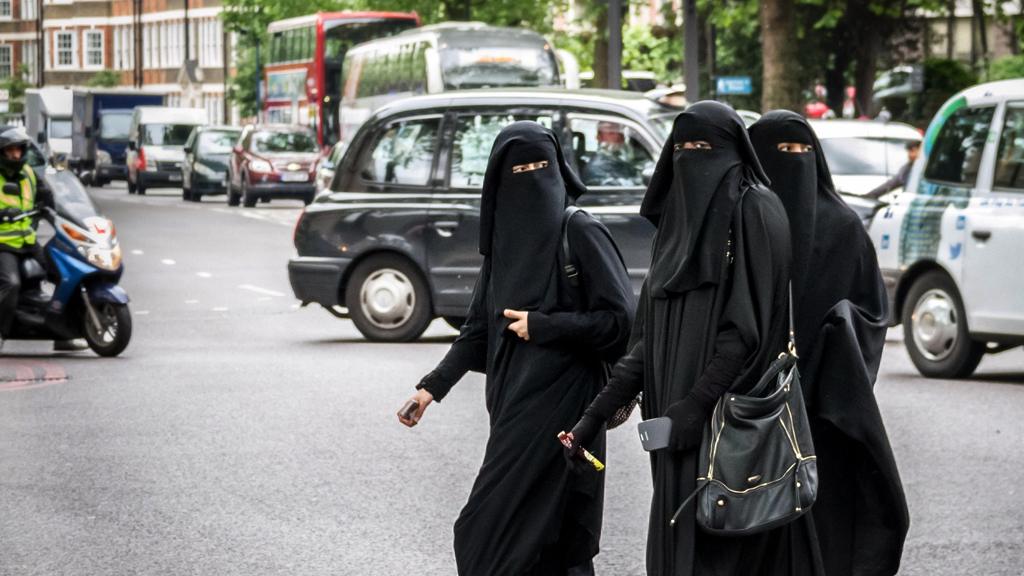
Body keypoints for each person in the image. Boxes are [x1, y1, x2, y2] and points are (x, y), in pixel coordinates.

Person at [566, 101, 799, 575]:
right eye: (685, 148)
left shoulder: (755, 210)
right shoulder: (676, 225)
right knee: (676, 553)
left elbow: (745, 333)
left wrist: (697, 404)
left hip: (728, 425)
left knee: (724, 554)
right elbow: (646, 341)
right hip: (675, 427)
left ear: (735, 150)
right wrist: (591, 419)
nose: (695, 159)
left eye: (706, 147)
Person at [398, 121, 634, 576]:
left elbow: (621, 322)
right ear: (497, 181)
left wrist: (544, 326)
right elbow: (476, 330)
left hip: (566, 408)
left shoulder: (580, 231)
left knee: (483, 531)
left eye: (540, 166)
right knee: (549, 541)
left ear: (559, 170)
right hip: (510, 403)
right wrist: (430, 388)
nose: (530, 176)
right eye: (518, 168)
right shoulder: (502, 244)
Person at [749, 110, 909, 576]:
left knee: (823, 517)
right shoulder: (747, 222)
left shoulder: (843, 227)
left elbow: (872, 315)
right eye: (779, 154)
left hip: (824, 411)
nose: (792, 164)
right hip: (757, 405)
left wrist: (834, 344)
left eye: (801, 153)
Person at [0, 127, 52, 349]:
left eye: (18, 150)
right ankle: (1, 333)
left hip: (28, 241)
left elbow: (45, 194)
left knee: (60, 270)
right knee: (11, 284)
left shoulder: (29, 173)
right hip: (4, 244)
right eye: (10, 150)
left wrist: (52, 208)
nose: (15, 155)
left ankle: (65, 330)